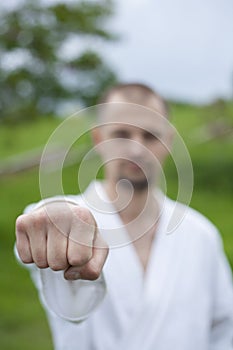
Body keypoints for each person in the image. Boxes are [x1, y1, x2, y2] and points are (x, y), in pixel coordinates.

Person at [15, 83, 233, 350]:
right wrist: (49, 221)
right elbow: (41, 226)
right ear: (98, 140)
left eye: (150, 136)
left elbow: (223, 330)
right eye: (121, 134)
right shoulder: (69, 221)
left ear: (169, 141)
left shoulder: (201, 235)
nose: (136, 150)